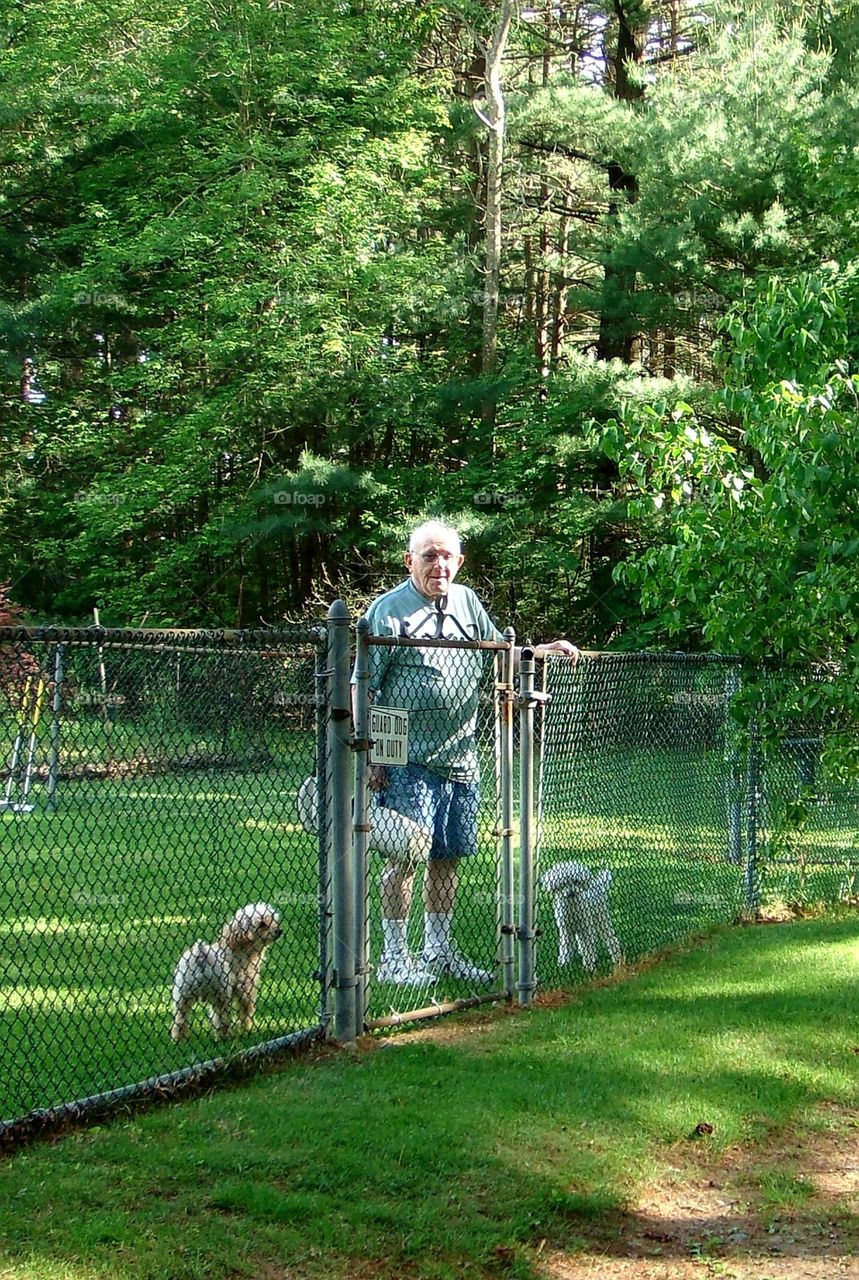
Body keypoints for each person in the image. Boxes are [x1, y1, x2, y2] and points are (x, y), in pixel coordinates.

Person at [356, 520, 579, 986]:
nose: (438, 564)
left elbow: (499, 653)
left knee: (446, 856)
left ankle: (438, 951)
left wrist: (538, 652)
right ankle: (395, 958)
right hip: (404, 758)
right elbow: (365, 684)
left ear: (459, 561)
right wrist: (372, 755)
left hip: (460, 757)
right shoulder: (387, 611)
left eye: (447, 556)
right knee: (406, 857)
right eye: (428, 555)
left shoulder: (467, 602)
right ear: (409, 560)